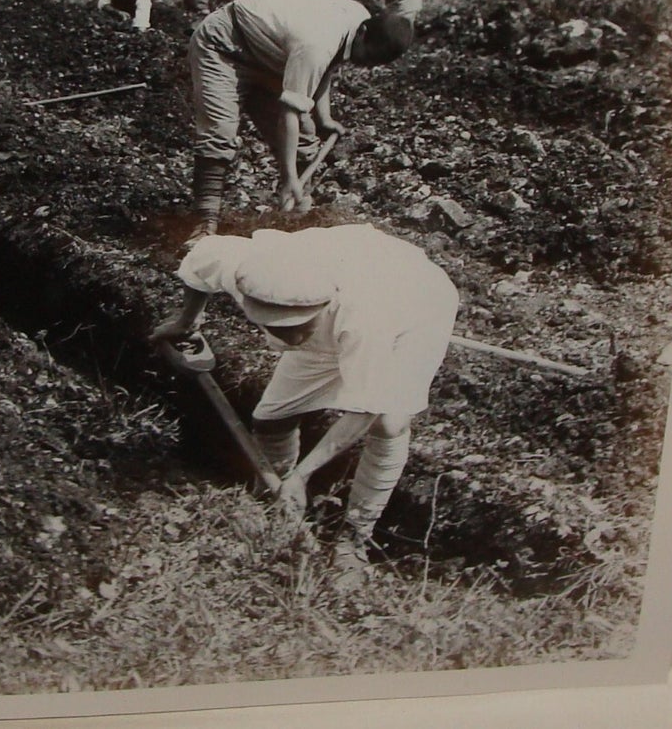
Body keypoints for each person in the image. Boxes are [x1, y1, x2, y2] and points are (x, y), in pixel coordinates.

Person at [151, 223, 458, 573]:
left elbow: (367, 408)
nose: (290, 337)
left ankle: (354, 537)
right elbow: (199, 261)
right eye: (276, 327)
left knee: (389, 423)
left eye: (298, 326)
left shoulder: (364, 321)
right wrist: (186, 322)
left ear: (321, 306)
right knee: (270, 418)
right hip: (332, 323)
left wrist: (303, 474)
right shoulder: (243, 269)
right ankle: (274, 501)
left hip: (416, 308)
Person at [188, 0, 413, 232]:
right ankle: (205, 221)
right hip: (224, 43)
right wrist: (289, 177)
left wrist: (324, 118)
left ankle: (293, 217)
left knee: (304, 141)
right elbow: (290, 113)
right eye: (367, 57)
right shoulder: (317, 44)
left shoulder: (357, 19)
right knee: (220, 132)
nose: (366, 66)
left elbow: (328, 65)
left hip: (270, 54)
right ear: (363, 33)